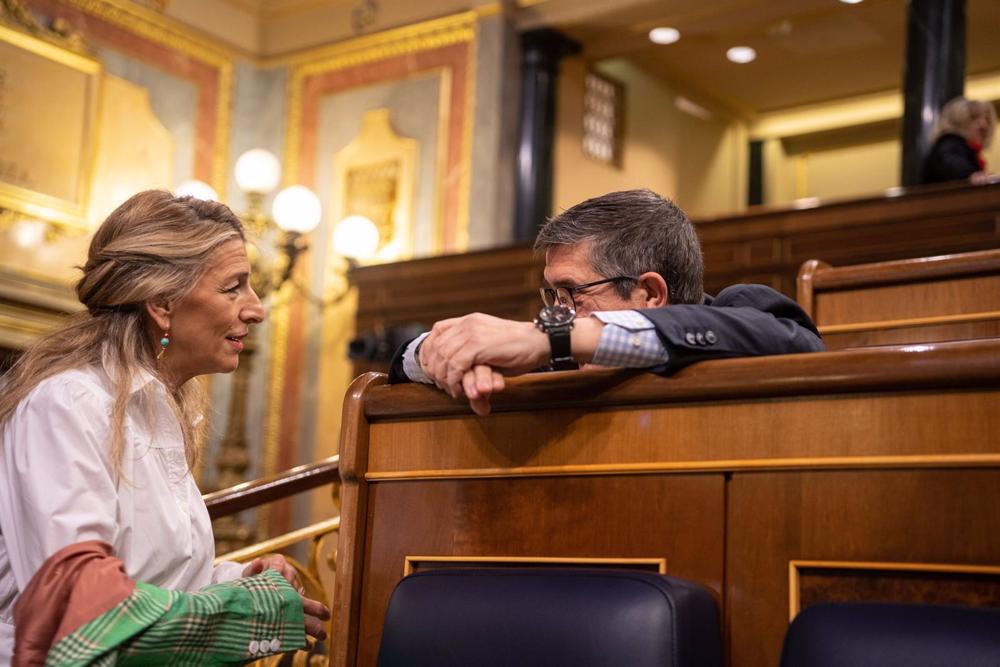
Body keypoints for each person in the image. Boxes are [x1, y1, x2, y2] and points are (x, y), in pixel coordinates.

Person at [0, 190, 328, 663]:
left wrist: (239, 579)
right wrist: (245, 612)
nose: (256, 309)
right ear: (162, 303)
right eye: (233, 287)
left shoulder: (155, 412)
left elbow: (154, 580)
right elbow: (82, 604)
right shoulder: (69, 404)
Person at [390, 189, 825, 415]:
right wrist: (438, 350)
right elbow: (400, 364)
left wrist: (554, 337)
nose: (557, 314)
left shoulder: (740, 309)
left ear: (649, 294)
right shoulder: (561, 360)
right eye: (554, 295)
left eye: (573, 293)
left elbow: (801, 346)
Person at [922, 96, 996, 185]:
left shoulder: (966, 149)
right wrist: (970, 174)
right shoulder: (949, 142)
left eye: (987, 119)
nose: (984, 124)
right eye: (974, 117)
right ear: (957, 121)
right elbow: (950, 162)